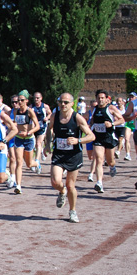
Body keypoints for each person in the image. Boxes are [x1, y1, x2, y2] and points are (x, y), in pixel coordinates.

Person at [45, 93, 95, 223]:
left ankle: (72, 211)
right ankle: (62, 192)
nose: (63, 104)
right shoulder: (55, 116)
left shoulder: (77, 118)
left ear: (72, 103)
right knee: (55, 182)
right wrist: (47, 144)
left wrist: (78, 140)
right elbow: (49, 130)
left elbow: (91, 136)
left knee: (70, 185)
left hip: (73, 155)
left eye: (66, 102)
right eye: (61, 102)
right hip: (59, 154)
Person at [89, 89, 124, 193]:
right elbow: (92, 120)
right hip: (98, 138)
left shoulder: (111, 108)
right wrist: (90, 126)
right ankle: (99, 183)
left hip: (109, 137)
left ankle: (112, 166)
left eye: (102, 98)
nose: (100, 100)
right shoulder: (94, 109)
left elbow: (122, 120)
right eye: (98, 98)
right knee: (99, 159)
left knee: (109, 161)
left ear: (106, 99)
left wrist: (112, 124)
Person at [12, 90, 40, 194]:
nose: (19, 102)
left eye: (22, 100)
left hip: (29, 139)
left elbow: (37, 126)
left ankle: (36, 164)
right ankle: (18, 185)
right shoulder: (16, 111)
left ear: (27, 101)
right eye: (18, 100)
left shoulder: (30, 111)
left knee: (29, 164)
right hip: (19, 139)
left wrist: (28, 132)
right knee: (19, 162)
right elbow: (15, 122)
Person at [31, 92, 52, 163]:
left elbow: (50, 114)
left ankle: (37, 160)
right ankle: (41, 151)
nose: (36, 99)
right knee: (33, 144)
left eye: (38, 98)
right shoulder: (31, 107)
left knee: (38, 143)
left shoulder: (45, 106)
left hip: (42, 127)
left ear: (41, 98)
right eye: (35, 98)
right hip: (33, 128)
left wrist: (47, 118)